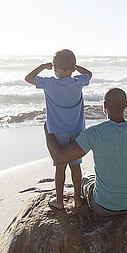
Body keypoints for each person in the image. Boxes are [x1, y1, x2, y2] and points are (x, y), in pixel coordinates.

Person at [44, 88, 127, 216]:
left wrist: (48, 131)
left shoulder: (94, 133)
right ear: (126, 105)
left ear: (104, 106)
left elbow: (60, 158)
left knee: (86, 179)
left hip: (102, 207)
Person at [25, 49, 92, 209]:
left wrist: (42, 66)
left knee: (60, 167)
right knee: (76, 166)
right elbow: (89, 74)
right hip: (77, 130)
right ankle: (77, 199)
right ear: (72, 67)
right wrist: (76, 67)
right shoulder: (78, 81)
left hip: (58, 131)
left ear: (55, 67)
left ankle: (59, 201)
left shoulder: (50, 83)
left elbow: (28, 78)